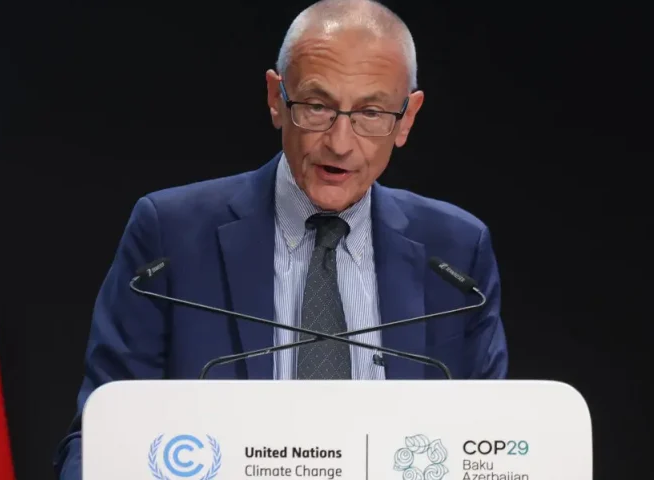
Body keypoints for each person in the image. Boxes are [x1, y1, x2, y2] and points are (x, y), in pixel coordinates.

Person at [53, 0, 508, 478]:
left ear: (407, 117)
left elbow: (493, 446)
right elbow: (102, 437)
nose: (340, 142)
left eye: (371, 113)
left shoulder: (456, 252)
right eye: (317, 106)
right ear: (276, 97)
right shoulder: (171, 235)